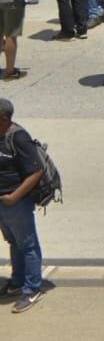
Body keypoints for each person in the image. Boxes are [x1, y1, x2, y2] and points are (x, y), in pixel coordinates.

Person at [0, 97, 45, 313]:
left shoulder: (18, 137)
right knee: (13, 242)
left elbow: (37, 171)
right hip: (3, 202)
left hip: (16, 202)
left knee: (27, 244)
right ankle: (17, 281)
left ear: (4, 118)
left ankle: (32, 288)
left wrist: (14, 197)